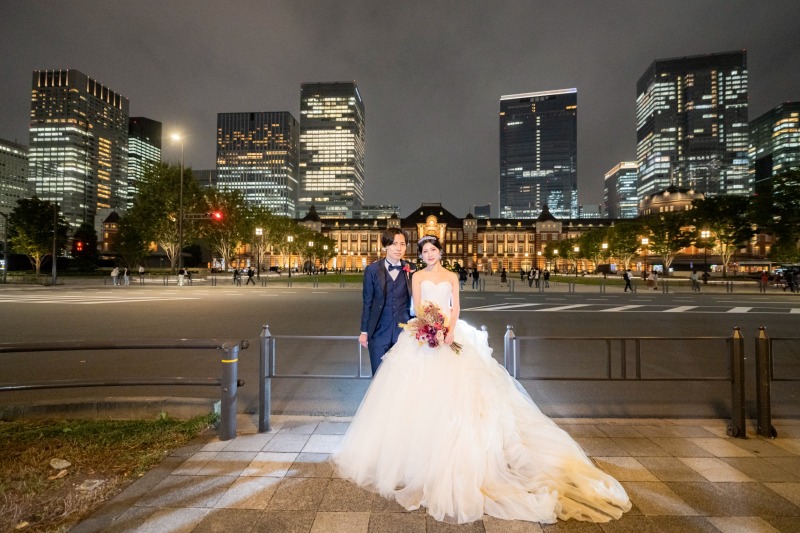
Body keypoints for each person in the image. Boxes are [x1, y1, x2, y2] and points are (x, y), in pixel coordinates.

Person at [333, 235, 631, 525]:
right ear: (420, 255)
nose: (429, 254)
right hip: (423, 334)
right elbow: (416, 306)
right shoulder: (415, 276)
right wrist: (427, 326)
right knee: (413, 395)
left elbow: (455, 307)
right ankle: (412, 454)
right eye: (424, 251)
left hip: (449, 333)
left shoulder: (451, 276)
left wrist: (447, 330)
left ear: (440, 252)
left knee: (461, 394)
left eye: (432, 250)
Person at [359, 228, 414, 376]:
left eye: (402, 244)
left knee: (401, 377)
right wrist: (364, 331)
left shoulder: (412, 269)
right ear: (385, 245)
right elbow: (367, 302)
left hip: (404, 333)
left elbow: (416, 300)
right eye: (394, 243)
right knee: (378, 376)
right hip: (378, 331)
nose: (398, 248)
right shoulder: (372, 270)